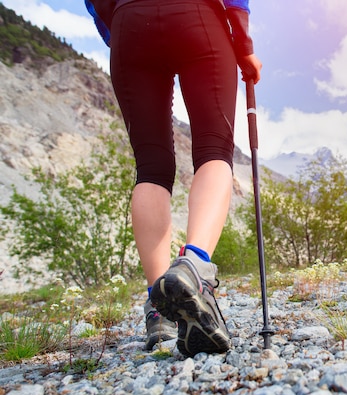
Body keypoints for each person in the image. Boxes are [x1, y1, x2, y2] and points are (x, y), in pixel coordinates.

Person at [85, 0, 262, 357]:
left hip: (129, 24)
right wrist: (244, 46)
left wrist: (121, 28)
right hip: (197, 16)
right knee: (214, 149)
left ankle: (158, 310)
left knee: (151, 169)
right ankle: (194, 267)